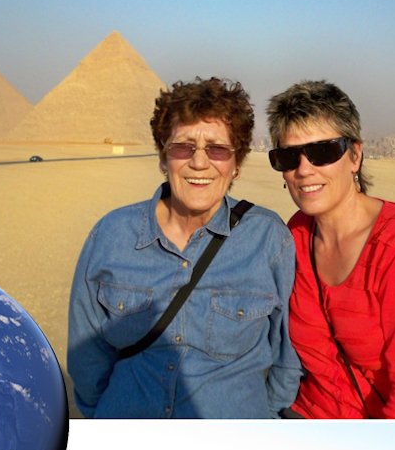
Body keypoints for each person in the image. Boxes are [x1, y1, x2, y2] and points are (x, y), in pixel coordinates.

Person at [68, 77, 299, 418]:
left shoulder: (267, 240)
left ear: (236, 165)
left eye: (218, 149)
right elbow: (86, 356)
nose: (199, 162)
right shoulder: (111, 236)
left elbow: (287, 358)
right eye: (183, 147)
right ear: (163, 158)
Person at [267, 80, 395, 417]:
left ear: (355, 156)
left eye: (323, 152)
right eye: (288, 156)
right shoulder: (294, 235)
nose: (304, 169)